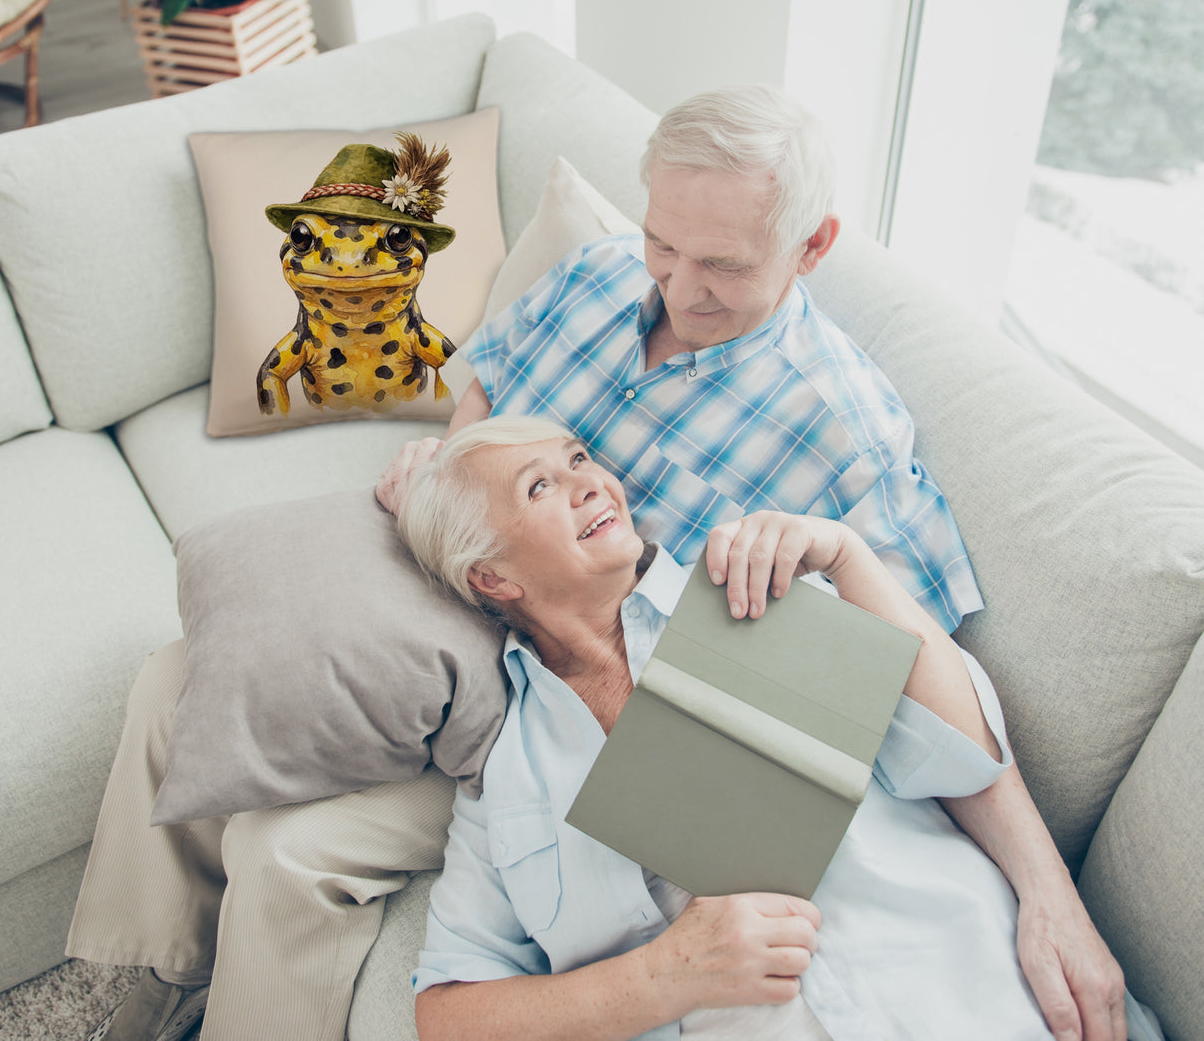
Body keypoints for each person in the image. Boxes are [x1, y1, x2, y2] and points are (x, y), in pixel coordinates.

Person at [379, 86, 1126, 1040]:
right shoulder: (595, 277)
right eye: (663, 244)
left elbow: (933, 711)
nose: (679, 288)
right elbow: (488, 387)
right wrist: (447, 484)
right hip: (483, 666)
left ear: (812, 247)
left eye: (723, 265)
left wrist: (1050, 896)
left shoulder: (821, 486)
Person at [397, 415, 1149, 1041]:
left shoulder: (753, 590)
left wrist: (847, 556)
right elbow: (447, 1015)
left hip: (972, 992)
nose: (590, 483)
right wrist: (665, 976)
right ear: (492, 577)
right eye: (539, 486)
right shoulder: (506, 776)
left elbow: (965, 756)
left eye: (579, 459)